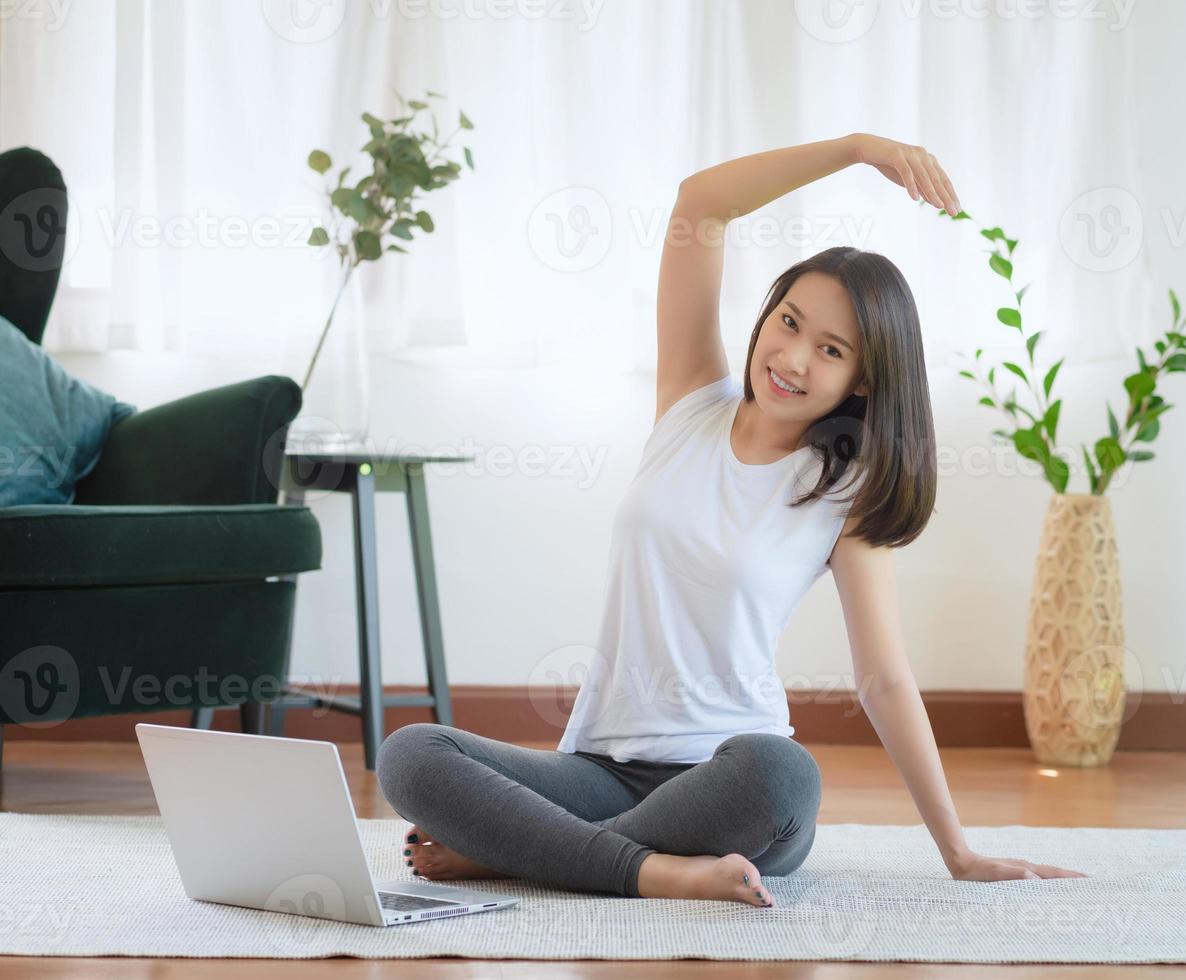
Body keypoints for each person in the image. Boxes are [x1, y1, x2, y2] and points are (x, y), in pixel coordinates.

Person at [377, 132, 1088, 908]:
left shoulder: (843, 491)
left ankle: (531, 852)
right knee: (413, 754)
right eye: (787, 322)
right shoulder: (690, 402)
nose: (792, 358)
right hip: (596, 771)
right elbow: (700, 206)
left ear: (861, 380)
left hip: (730, 788)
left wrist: (959, 851)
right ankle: (644, 867)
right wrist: (854, 150)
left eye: (830, 349)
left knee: (784, 775)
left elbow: (883, 678)